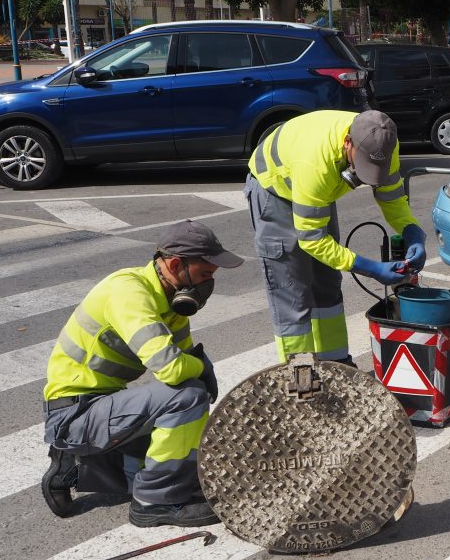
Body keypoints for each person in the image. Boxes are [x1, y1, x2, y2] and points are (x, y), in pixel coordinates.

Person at [41, 220, 244, 527]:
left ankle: (76, 464)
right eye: (205, 275)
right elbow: (172, 368)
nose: (208, 285)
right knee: (188, 397)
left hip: (103, 404)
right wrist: (203, 367)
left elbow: (184, 356)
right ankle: (154, 502)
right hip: (74, 412)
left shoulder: (169, 299)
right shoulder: (129, 294)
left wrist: (198, 365)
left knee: (181, 442)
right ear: (176, 265)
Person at [244, 109, 427, 364]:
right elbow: (312, 239)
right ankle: (300, 380)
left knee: (326, 283)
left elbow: (392, 198)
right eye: (363, 166)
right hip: (277, 192)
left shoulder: (384, 142)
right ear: (347, 143)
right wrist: (370, 267)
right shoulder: (314, 163)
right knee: (293, 292)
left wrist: (412, 232)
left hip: (318, 192)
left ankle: (337, 366)